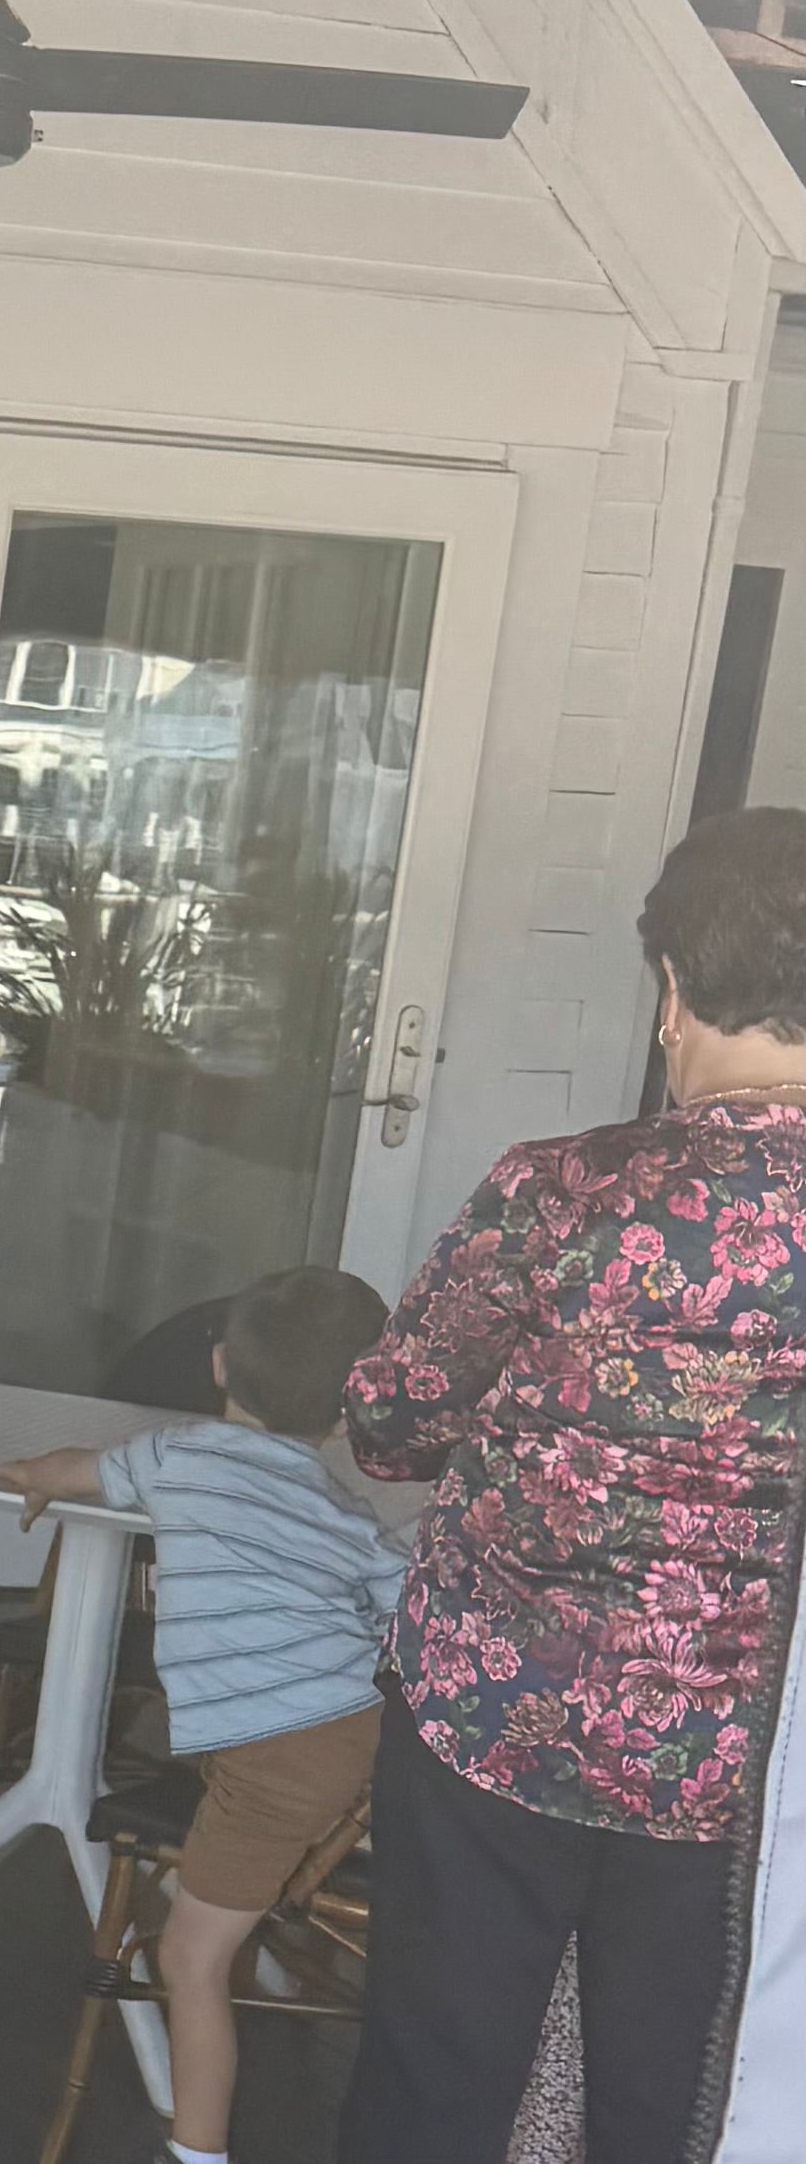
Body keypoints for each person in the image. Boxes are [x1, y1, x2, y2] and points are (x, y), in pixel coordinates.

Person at [337, 805, 806, 2164]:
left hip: (495, 1711)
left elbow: (390, 1421)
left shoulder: (561, 1193)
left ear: (670, 992)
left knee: (435, 2075)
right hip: (745, 1762)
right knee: (677, 2108)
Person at [0, 1267, 407, 2164]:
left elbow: (76, 1471)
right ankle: (265, 1909)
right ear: (347, 1409)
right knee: (209, 1899)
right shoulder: (340, 1509)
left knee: (188, 1960)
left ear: (218, 1364)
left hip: (272, 1752)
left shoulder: (176, 1456)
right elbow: (404, 1611)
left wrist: (30, 1474)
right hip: (340, 1730)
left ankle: (198, 2152)